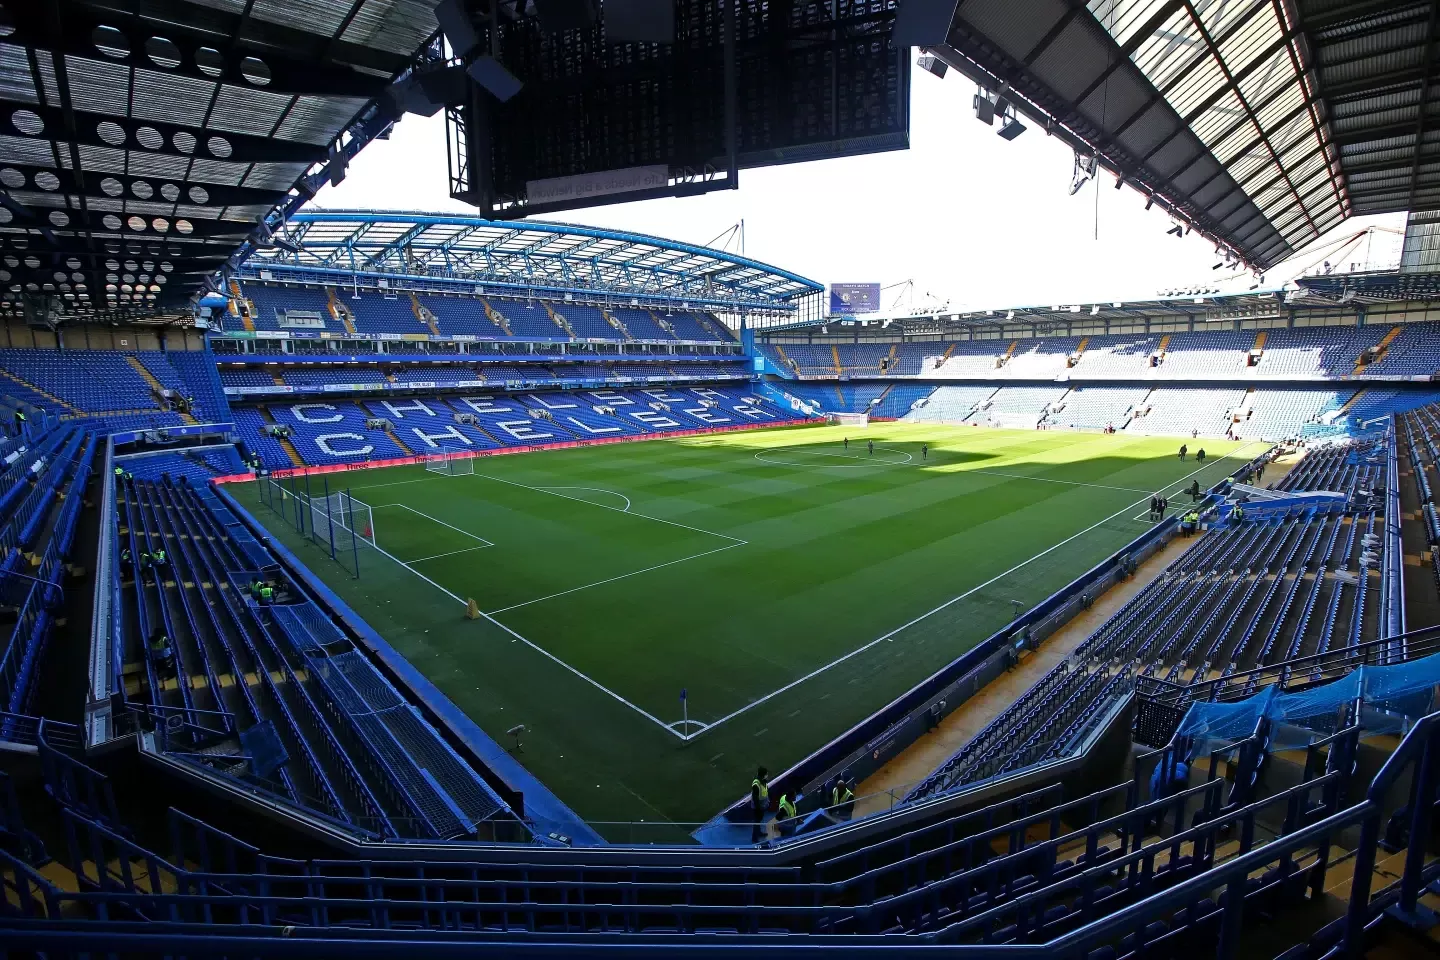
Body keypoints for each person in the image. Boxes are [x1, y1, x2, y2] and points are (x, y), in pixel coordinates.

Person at [750, 767, 769, 842]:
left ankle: (759, 833)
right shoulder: (756, 784)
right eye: (766, 774)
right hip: (758, 807)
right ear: (763, 775)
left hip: (763, 805)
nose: (767, 775)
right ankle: (754, 838)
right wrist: (759, 809)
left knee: (759, 820)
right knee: (757, 821)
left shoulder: (764, 781)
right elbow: (755, 798)